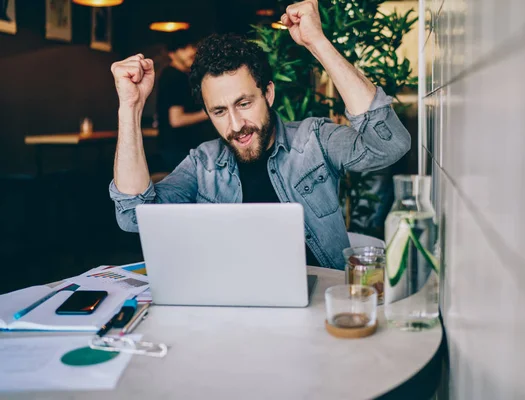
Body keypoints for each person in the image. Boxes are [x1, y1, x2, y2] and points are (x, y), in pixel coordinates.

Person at [108, 0, 411, 270]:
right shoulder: (202, 165)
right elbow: (133, 215)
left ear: (268, 93)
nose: (236, 124)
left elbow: (388, 145)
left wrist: (317, 42)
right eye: (219, 111)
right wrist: (130, 107)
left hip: (320, 306)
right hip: (235, 312)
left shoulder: (313, 141)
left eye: (244, 103)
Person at [156, 31, 213, 171]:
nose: (191, 51)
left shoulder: (182, 76)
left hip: (179, 148)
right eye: (183, 48)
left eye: (192, 47)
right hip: (177, 150)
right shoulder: (173, 76)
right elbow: (176, 120)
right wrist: (208, 113)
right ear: (171, 53)